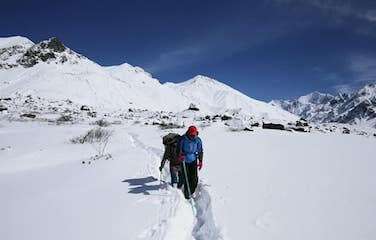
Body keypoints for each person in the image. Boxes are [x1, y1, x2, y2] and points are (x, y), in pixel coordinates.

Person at [178, 125, 203, 199]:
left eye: (194, 135)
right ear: (188, 133)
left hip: (193, 160)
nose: (192, 136)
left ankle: (191, 191)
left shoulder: (198, 140)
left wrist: (200, 161)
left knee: (194, 179)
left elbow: (200, 151)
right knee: (186, 178)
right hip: (184, 161)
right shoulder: (183, 139)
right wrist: (180, 155)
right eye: (191, 135)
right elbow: (178, 149)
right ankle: (186, 194)